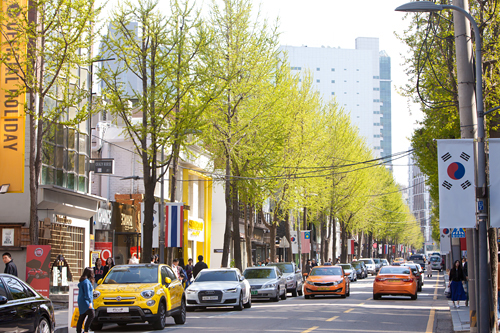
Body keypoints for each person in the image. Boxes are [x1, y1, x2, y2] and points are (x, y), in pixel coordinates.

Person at [77, 267, 95, 333]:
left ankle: (79, 331)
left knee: (82, 316)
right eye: (92, 273)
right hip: (86, 301)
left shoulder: (83, 281)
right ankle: (86, 330)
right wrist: (90, 302)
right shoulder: (86, 282)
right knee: (92, 314)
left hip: (81, 301)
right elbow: (87, 293)